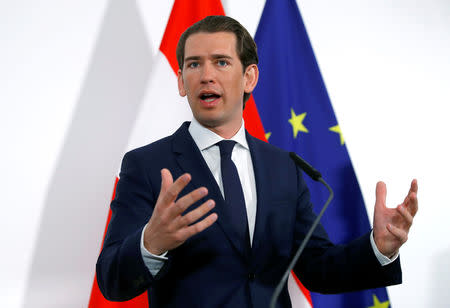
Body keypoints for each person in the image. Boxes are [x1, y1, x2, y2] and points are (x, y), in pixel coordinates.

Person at [96, 15, 418, 308]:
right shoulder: (147, 165)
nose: (206, 75)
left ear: (249, 77)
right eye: (193, 65)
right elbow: (111, 281)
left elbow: (320, 269)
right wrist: (151, 243)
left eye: (221, 62)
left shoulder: (284, 168)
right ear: (181, 81)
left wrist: (379, 247)